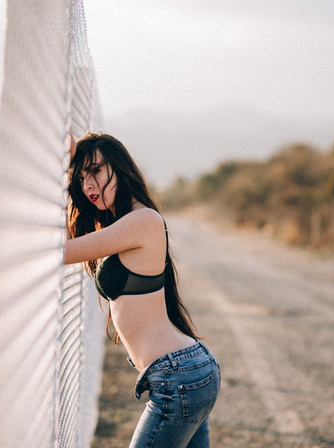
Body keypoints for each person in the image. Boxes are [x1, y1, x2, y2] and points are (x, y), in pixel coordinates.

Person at [63, 132, 221, 448]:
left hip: (177, 376)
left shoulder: (143, 220)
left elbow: (61, 251)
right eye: (81, 178)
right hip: (184, 372)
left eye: (95, 170)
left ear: (120, 168)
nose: (88, 185)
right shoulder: (121, 224)